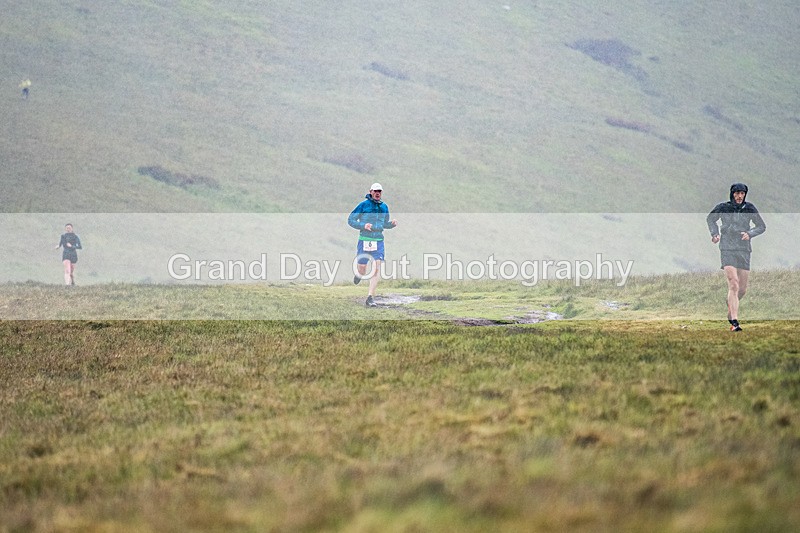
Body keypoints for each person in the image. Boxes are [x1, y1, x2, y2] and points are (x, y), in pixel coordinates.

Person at [706, 183, 766, 331]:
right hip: (727, 247)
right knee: (733, 283)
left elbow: (761, 226)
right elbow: (710, 219)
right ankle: (734, 322)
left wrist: (749, 234)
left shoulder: (749, 208)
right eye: (737, 193)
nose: (739, 196)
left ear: (745, 194)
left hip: (744, 249)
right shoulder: (723, 207)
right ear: (732, 194)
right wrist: (715, 233)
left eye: (742, 194)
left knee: (742, 289)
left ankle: (731, 308)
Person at [347, 183, 398, 307]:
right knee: (362, 269)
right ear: (370, 191)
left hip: (378, 241)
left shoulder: (384, 207)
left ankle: (370, 298)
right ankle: (359, 274)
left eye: (379, 191)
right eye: (375, 191)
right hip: (364, 240)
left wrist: (391, 224)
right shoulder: (363, 205)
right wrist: (363, 226)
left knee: (376, 269)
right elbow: (350, 220)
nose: (377, 193)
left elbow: (384, 224)